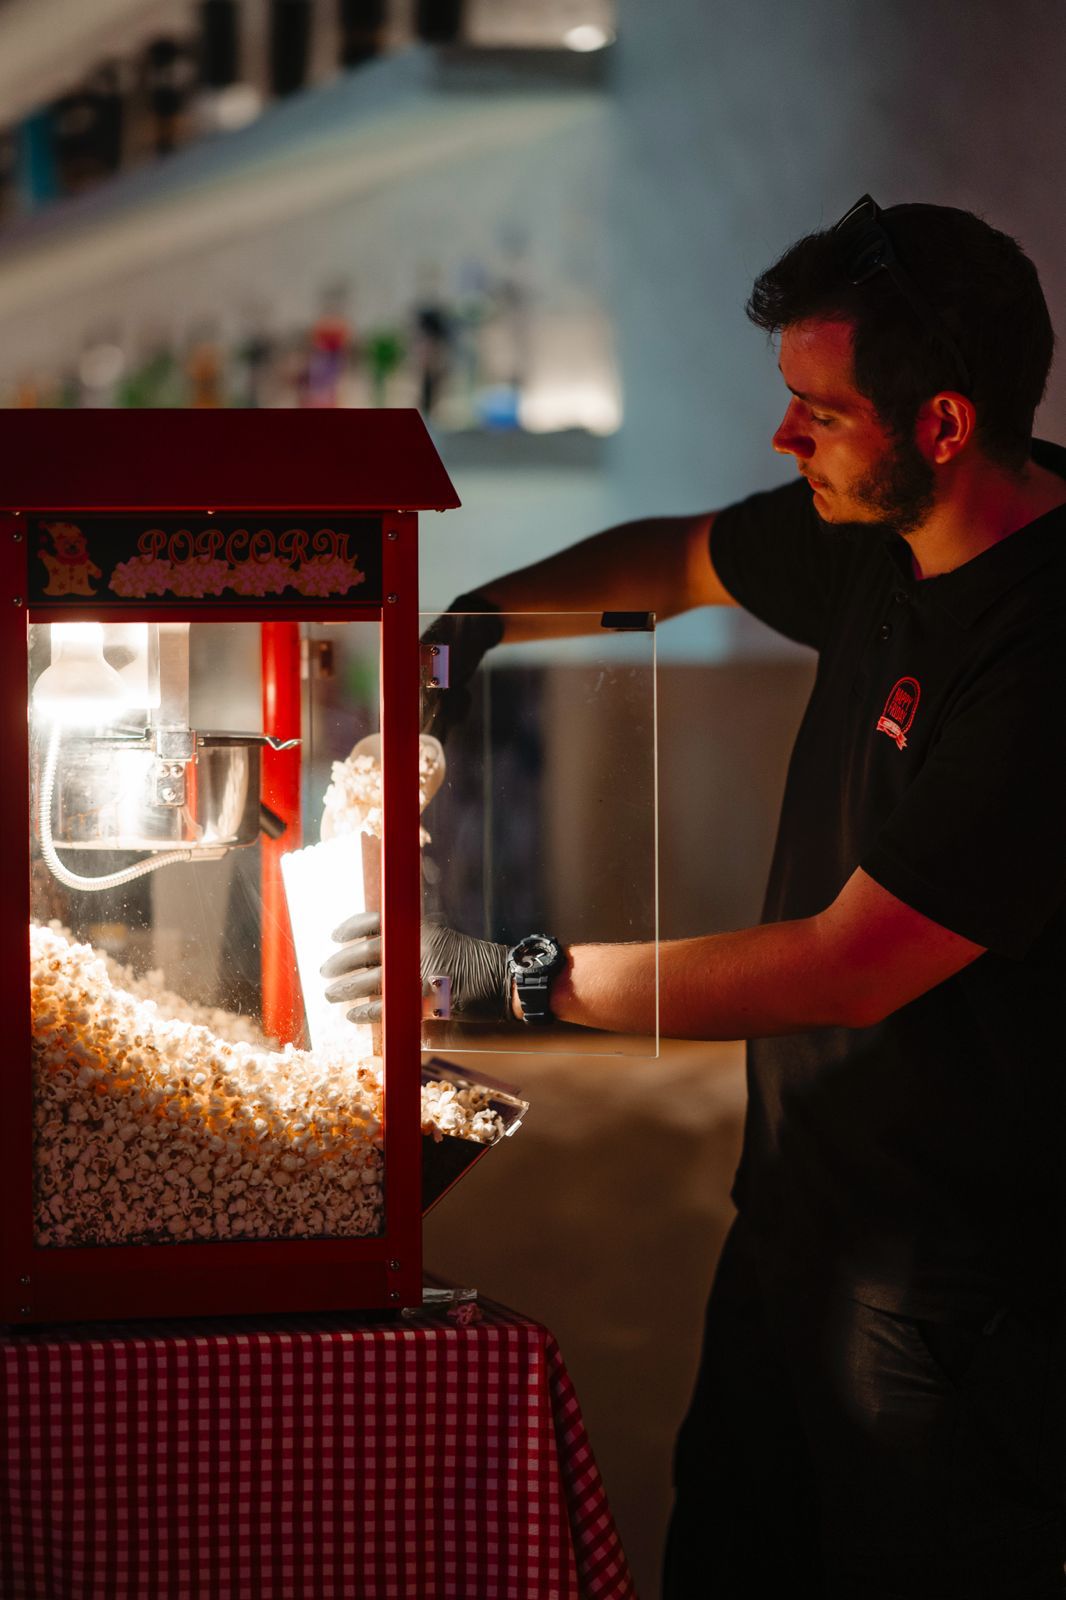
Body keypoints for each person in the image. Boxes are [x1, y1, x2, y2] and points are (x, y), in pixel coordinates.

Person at [323, 197, 1066, 1597]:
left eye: (818, 414)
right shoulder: (877, 528)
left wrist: (509, 976)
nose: (783, 439)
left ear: (944, 425)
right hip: (793, 1209)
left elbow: (850, 964)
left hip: (959, 1282)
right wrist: (457, 643)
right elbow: (672, 560)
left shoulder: (1039, 657)